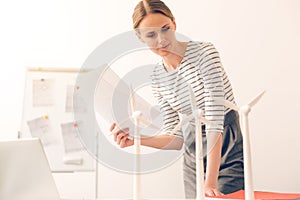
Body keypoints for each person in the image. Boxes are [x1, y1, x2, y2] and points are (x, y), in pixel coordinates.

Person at [110, 0, 244, 198]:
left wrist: (210, 182)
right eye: (151, 35)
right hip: (193, 153)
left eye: (165, 29)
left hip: (225, 142)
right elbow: (176, 139)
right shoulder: (157, 77)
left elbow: (216, 121)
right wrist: (137, 139)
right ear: (140, 38)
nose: (161, 40)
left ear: (174, 23)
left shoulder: (205, 53)